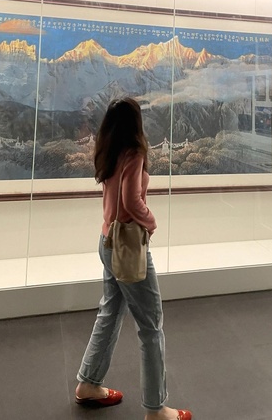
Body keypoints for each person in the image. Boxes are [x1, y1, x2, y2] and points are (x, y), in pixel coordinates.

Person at [75, 98, 192, 420]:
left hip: (107, 241)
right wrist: (151, 223)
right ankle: (156, 409)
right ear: (136, 123)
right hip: (128, 246)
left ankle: (88, 383)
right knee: (151, 327)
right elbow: (132, 200)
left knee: (110, 312)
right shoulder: (134, 154)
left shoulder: (109, 151)